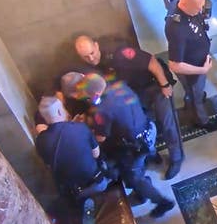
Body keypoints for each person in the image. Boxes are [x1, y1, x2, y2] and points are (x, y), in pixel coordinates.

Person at [74, 35, 183, 180]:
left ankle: (177, 157)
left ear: (96, 45)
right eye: (86, 57)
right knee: (143, 123)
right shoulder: (88, 68)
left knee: (168, 121)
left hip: (154, 84)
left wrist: (164, 84)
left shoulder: (118, 52)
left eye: (92, 53)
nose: (91, 59)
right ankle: (152, 154)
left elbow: (151, 61)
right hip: (134, 92)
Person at [75, 73, 175, 218]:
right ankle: (150, 169)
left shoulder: (102, 110)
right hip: (149, 129)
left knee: (134, 178)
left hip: (136, 146)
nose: (88, 99)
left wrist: (84, 127)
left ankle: (162, 202)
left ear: (96, 94)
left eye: (88, 96)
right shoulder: (119, 85)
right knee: (144, 159)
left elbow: (100, 137)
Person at [35, 97, 110, 224]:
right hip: (96, 183)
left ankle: (83, 208)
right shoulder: (81, 128)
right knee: (105, 165)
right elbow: (96, 154)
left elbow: (48, 163)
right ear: (59, 111)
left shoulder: (40, 141)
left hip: (70, 190)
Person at [165, 0, 217, 132]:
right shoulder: (177, 29)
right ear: (184, 4)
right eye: (197, 8)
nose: (200, 11)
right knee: (195, 93)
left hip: (198, 60)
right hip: (192, 69)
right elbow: (175, 65)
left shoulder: (182, 4)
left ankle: (193, 97)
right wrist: (201, 69)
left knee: (196, 90)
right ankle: (201, 120)